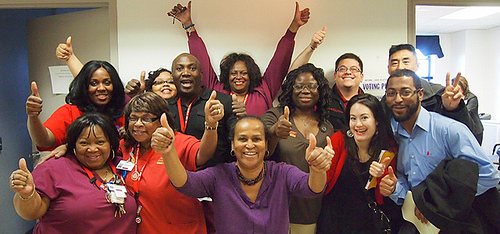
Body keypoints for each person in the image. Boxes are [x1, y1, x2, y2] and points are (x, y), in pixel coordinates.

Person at [153, 115, 334, 233]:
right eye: (242, 139)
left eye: (256, 139)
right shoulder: (219, 175)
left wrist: (317, 170)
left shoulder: (282, 173)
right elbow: (185, 183)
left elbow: (312, 189)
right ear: (233, 145)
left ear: (265, 144)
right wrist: (169, 152)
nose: (249, 145)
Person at [381, 69, 500, 233]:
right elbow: (407, 181)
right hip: (420, 226)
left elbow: (489, 175)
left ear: (420, 94)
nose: (398, 99)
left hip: (457, 224)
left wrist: (436, 203)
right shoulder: (396, 138)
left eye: (405, 92)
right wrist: (395, 188)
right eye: (391, 93)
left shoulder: (448, 130)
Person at [168, 1, 310, 117]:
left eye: (243, 73)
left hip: (258, 150)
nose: (238, 77)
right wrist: (188, 25)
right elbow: (201, 61)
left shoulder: (263, 90)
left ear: (251, 75)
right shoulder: (216, 91)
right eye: (233, 73)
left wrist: (294, 27)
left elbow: (280, 62)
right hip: (222, 150)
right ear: (226, 76)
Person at [10, 113, 136, 233]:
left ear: (111, 144)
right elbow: (31, 213)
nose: (92, 149)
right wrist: (27, 195)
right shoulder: (54, 168)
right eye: (84, 143)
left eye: (100, 142)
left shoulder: (123, 166)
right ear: (73, 145)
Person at [120, 91, 221, 233]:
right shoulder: (126, 146)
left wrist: (211, 125)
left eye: (146, 119)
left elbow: (204, 153)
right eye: (133, 118)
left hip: (181, 228)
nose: (138, 124)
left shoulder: (178, 142)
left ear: (162, 119)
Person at [262, 63, 334, 233]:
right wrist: (274, 132)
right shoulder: (275, 115)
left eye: (312, 86)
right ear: (290, 89)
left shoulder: (327, 126)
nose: (305, 90)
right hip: (276, 208)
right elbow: (261, 151)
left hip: (311, 210)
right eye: (299, 86)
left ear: (320, 90)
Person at [316, 93, 404, 233]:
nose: (358, 124)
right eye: (353, 118)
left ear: (377, 121)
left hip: (369, 223)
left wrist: (384, 178)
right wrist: (320, 166)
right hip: (335, 221)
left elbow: (384, 197)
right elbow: (321, 186)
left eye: (364, 118)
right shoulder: (338, 140)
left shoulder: (388, 147)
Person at [386, 44, 483, 144]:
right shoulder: (386, 103)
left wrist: (453, 110)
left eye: (406, 62)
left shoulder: (440, 95)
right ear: (388, 69)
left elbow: (469, 137)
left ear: (417, 66)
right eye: (394, 63)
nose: (400, 67)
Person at [26, 60, 125, 151]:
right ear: (84, 87)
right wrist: (33, 116)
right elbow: (44, 140)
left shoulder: (122, 112)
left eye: (107, 83)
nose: (101, 88)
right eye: (94, 83)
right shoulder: (69, 112)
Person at [167, 53, 235, 167]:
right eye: (179, 69)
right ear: (172, 76)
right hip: (174, 174)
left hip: (214, 175)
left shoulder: (222, 101)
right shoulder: (165, 106)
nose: (186, 73)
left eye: (192, 68)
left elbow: (235, 140)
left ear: (201, 75)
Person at [55, 37, 176, 100]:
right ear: (150, 89)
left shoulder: (185, 105)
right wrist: (70, 58)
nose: (165, 85)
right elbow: (88, 79)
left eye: (170, 82)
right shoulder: (134, 104)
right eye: (159, 82)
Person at [453, 75, 483, 144]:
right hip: (463, 130)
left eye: (457, 86)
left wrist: (460, 101)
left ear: (463, 86)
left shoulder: (472, 98)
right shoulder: (453, 99)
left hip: (475, 131)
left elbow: (466, 111)